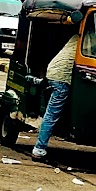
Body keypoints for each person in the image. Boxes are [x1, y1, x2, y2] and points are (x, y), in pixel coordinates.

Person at [32, 31, 79, 162]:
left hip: (53, 71)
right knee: (51, 115)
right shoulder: (95, 39)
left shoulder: (77, 36)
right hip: (62, 78)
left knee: (51, 113)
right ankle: (39, 149)